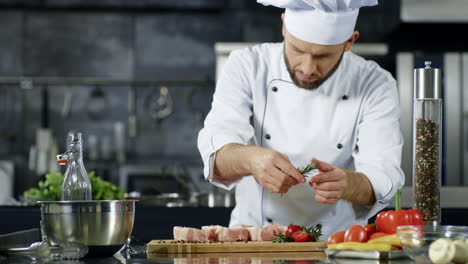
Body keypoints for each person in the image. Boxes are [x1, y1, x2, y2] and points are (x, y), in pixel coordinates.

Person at [197, 0, 404, 238]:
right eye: (297, 50)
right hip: (254, 240)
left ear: (350, 41)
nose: (307, 68)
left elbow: (384, 176)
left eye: (323, 56)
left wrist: (348, 183)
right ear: (284, 26)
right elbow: (216, 152)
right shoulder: (247, 65)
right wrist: (251, 159)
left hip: (336, 245)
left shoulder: (375, 83)